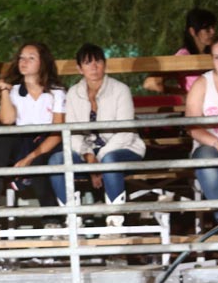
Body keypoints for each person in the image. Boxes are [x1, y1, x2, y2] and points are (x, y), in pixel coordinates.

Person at [47, 44, 145, 228]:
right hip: (88, 153)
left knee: (110, 159)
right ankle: (72, 218)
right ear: (79, 68)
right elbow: (72, 132)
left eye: (98, 61)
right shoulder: (74, 93)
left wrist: (98, 160)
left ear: (105, 64)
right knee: (56, 161)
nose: (93, 67)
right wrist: (88, 156)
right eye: (87, 63)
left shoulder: (120, 90)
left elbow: (125, 132)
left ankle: (115, 222)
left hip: (122, 149)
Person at [0, 42, 66, 208]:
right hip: (21, 141)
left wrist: (30, 157)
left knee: (38, 164)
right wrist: (5, 92)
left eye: (31, 58)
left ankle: (52, 220)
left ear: (42, 62)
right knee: (2, 138)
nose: (24, 61)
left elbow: (57, 132)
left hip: (47, 144)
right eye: (21, 58)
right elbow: (6, 121)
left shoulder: (57, 91)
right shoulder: (14, 91)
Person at [185, 35, 218, 226]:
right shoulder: (201, 84)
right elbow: (192, 126)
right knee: (206, 159)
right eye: (217, 57)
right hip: (210, 145)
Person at [144, 8, 217, 95]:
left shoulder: (216, 53)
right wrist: (185, 94)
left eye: (213, 27)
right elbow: (150, 83)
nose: (213, 32)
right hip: (196, 106)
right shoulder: (183, 56)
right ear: (192, 31)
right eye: (207, 29)